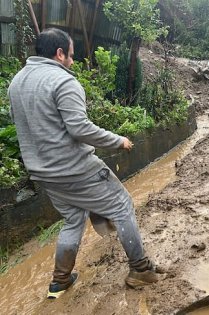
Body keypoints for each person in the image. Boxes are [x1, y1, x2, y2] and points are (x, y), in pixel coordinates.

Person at [8, 28, 161, 299]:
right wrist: (118, 140)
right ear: (59, 53)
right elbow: (79, 128)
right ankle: (140, 269)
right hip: (75, 168)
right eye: (70, 55)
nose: (72, 61)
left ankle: (60, 280)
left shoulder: (17, 83)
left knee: (73, 218)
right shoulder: (63, 81)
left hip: (43, 173)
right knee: (122, 205)